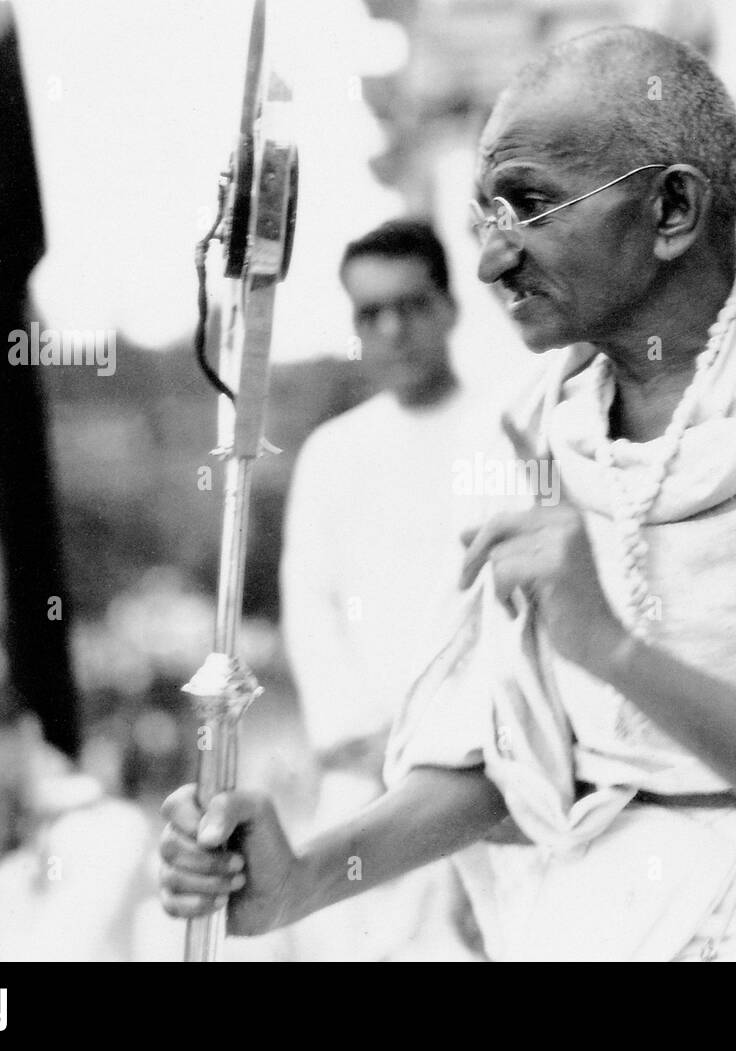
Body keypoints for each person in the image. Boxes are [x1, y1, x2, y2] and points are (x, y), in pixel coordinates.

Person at [160, 26, 736, 962]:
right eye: (486, 216)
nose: (490, 260)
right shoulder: (530, 430)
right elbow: (507, 770)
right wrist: (304, 879)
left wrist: (614, 648)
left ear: (672, 209)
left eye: (530, 205)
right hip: (584, 921)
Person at [278, 219, 491, 960]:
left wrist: (463, 749)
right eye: (371, 314)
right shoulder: (334, 454)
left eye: (413, 305)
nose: (394, 329)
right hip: (364, 772)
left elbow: (508, 607)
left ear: (450, 307)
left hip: (482, 773)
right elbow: (311, 608)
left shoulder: (505, 432)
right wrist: (361, 741)